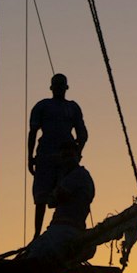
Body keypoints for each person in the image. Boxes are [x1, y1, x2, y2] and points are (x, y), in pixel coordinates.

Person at [27, 72, 88, 210]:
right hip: (45, 155)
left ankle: (60, 222)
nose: (59, 88)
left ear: (66, 88)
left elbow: (82, 134)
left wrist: (77, 152)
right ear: (51, 88)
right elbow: (32, 132)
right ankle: (37, 231)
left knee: (65, 192)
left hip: (65, 157)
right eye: (56, 85)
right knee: (41, 196)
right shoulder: (42, 106)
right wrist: (30, 158)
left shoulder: (72, 107)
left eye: (61, 85)